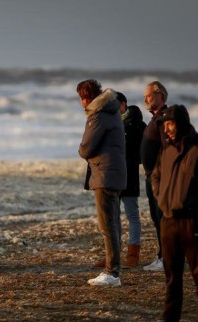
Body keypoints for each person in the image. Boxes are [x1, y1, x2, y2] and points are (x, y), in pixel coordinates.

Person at [148, 105, 198, 322]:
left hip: (192, 221)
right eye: (164, 126)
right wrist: (160, 198)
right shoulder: (166, 148)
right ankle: (170, 320)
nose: (167, 130)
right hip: (168, 221)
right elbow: (156, 174)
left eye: (170, 124)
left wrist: (195, 200)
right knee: (172, 274)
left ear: (181, 123)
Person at [76, 79, 127, 287]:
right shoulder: (112, 111)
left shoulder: (97, 116)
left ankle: (112, 272)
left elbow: (86, 148)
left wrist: (81, 150)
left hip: (104, 174)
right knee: (113, 223)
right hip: (114, 173)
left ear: (85, 98)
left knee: (108, 225)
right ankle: (113, 268)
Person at [140, 81, 169, 272]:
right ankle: (163, 256)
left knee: (162, 218)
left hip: (159, 178)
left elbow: (169, 148)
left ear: (161, 96)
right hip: (152, 177)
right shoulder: (155, 118)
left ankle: (166, 258)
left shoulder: (165, 118)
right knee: (156, 218)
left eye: (149, 95)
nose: (146, 99)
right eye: (144, 97)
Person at [116, 91, 145, 268]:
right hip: (113, 175)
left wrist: (133, 160)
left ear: (124, 104)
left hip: (130, 175)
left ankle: (133, 255)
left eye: (116, 104)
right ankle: (113, 254)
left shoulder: (138, 124)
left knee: (132, 215)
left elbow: (145, 150)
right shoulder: (110, 122)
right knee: (113, 216)